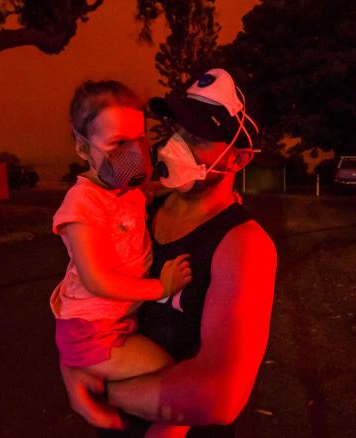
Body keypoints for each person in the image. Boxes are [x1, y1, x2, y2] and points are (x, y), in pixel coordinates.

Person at [60, 69, 277, 437]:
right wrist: (72, 368)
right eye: (177, 128)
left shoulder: (243, 246)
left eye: (195, 137)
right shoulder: (138, 209)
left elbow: (219, 397)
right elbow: (81, 295)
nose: (174, 144)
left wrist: (99, 390)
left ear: (237, 159)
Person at [51, 80, 194, 438]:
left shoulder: (124, 189)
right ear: (82, 148)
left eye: (138, 140)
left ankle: (81, 383)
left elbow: (149, 192)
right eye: (117, 144)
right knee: (176, 380)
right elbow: (97, 280)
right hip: (93, 331)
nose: (133, 153)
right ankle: (90, 397)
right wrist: (159, 287)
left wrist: (201, 185)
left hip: (111, 324)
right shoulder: (81, 206)